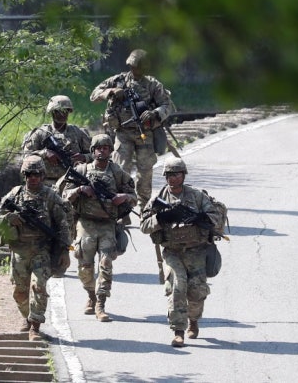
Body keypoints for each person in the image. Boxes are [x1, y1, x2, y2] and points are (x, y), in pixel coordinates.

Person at [139, 157, 223, 347]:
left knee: (196, 291)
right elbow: (143, 225)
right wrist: (161, 218)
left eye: (176, 174)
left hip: (197, 251)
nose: (173, 178)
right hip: (172, 251)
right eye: (169, 175)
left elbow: (216, 218)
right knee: (177, 287)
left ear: (183, 175)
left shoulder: (197, 196)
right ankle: (178, 331)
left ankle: (193, 320)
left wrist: (199, 217)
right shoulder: (157, 199)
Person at [56, 134, 137, 322]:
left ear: (110, 151)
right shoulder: (81, 170)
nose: (102, 151)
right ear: (92, 151)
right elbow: (63, 195)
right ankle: (90, 295)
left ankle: (100, 303)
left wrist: (123, 197)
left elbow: (134, 197)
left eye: (106, 148)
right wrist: (79, 190)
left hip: (108, 224)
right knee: (85, 265)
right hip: (85, 223)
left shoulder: (117, 173)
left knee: (106, 263)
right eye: (99, 148)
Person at [0, 155, 71, 340]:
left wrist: (64, 250)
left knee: (39, 286)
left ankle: (35, 327)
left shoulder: (50, 196)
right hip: (19, 250)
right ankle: (26, 318)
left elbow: (62, 224)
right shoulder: (15, 194)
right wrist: (9, 218)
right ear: (24, 175)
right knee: (19, 291)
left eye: (37, 174)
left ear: (43, 175)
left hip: (42, 249)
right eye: (29, 174)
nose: (33, 178)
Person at [90, 49, 172, 210]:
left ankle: (143, 207)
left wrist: (155, 113)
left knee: (145, 171)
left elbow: (167, 105)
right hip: (123, 132)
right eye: (133, 66)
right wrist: (111, 91)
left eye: (138, 67)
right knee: (121, 170)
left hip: (145, 133)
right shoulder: (118, 80)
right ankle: (123, 208)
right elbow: (94, 95)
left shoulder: (153, 85)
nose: (135, 70)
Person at [22, 95, 92, 187]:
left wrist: (84, 157)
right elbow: (26, 157)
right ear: (52, 112)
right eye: (58, 112)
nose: (62, 115)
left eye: (65, 111)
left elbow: (97, 155)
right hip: (45, 184)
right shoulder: (40, 133)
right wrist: (45, 153)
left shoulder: (78, 133)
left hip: (72, 184)